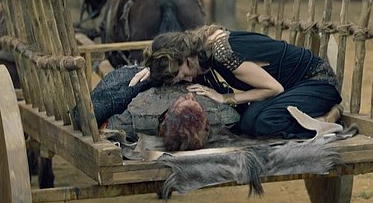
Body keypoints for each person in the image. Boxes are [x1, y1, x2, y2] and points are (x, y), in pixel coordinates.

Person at [130, 24, 342, 139]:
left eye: (183, 73)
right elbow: (170, 54)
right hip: (290, 87)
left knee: (264, 123)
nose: (187, 78)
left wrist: (225, 98)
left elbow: (274, 88)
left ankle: (327, 117)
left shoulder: (223, 53)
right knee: (247, 122)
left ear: (187, 56)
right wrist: (151, 69)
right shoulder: (198, 47)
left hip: (315, 81)